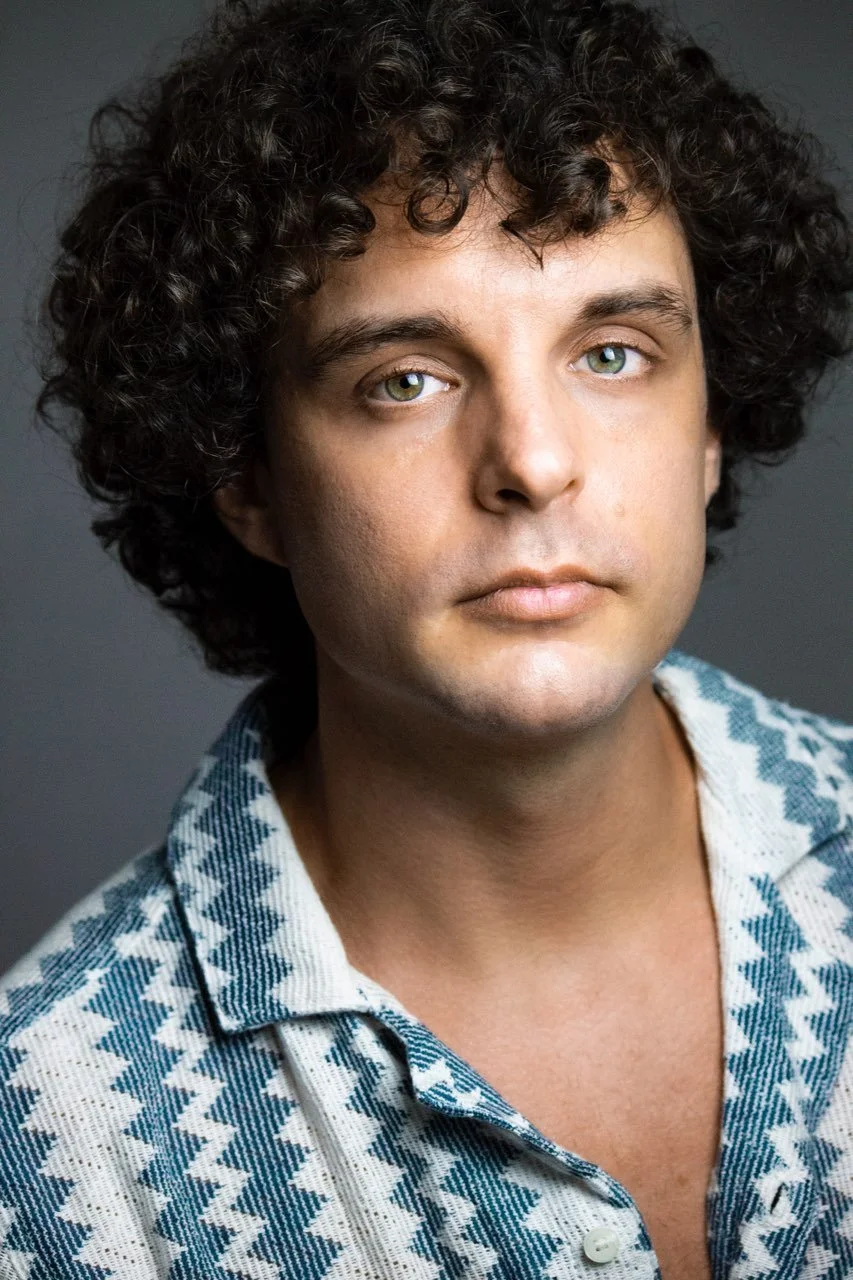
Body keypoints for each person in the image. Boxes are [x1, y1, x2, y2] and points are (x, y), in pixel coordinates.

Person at [2, 0, 851, 1275]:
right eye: (405, 378)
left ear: (711, 423)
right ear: (249, 481)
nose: (533, 461)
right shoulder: (47, 1131)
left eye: (612, 353)